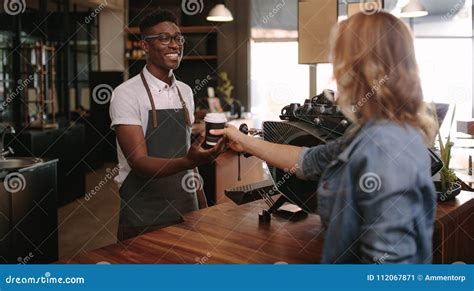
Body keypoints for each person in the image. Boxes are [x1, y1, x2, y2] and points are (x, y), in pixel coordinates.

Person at [212, 11, 437, 263]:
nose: (336, 72)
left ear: (361, 68)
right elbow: (308, 160)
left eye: (340, 59)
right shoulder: (371, 132)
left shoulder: (384, 145)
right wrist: (244, 141)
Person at [110, 9, 224, 241]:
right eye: (164, 38)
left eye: (178, 38)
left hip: (187, 210)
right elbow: (139, 162)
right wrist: (188, 161)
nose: (175, 45)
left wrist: (202, 205)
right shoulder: (126, 94)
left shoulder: (185, 92)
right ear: (145, 46)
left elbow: (189, 158)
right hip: (144, 214)